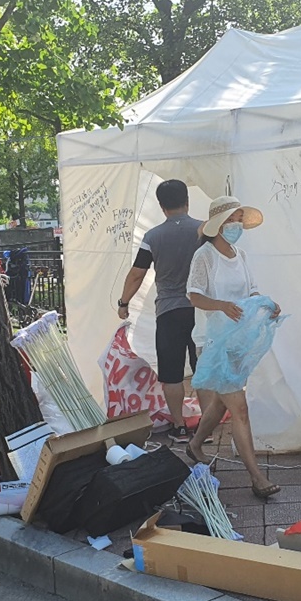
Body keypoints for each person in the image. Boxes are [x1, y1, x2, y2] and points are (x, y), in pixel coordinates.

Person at [185, 196, 282, 499]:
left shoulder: (240, 254)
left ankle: (195, 444)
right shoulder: (204, 256)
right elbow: (194, 295)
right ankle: (256, 477)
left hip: (238, 340)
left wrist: (266, 304)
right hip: (214, 342)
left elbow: (251, 291)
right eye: (233, 219)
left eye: (240, 218)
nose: (238, 225)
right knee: (238, 407)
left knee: (221, 403)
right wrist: (222, 306)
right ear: (219, 224)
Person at [117, 180, 204, 444]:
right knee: (204, 369)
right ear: (187, 201)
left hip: (168, 310)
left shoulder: (153, 237)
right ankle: (203, 425)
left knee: (172, 372)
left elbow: (137, 274)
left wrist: (124, 302)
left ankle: (179, 426)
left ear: (161, 206)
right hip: (201, 310)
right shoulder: (204, 230)